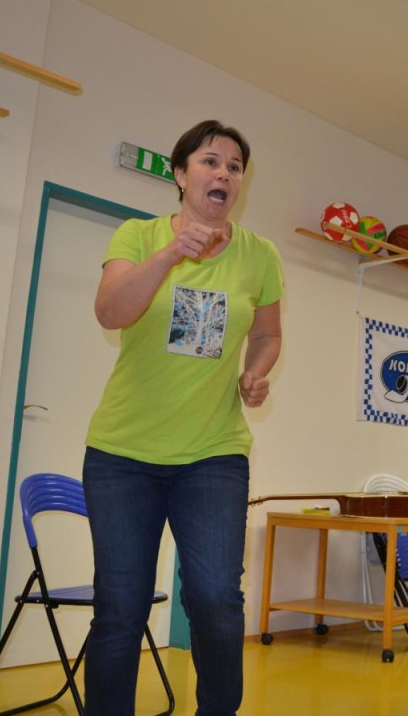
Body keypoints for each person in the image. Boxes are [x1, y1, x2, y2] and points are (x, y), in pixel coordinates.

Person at [83, 120, 283, 715]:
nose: (224, 174)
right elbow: (110, 312)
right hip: (122, 455)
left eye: (235, 166)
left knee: (217, 600)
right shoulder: (138, 235)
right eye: (210, 161)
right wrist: (173, 252)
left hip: (213, 454)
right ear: (180, 174)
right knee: (120, 606)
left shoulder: (260, 255)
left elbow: (268, 334)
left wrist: (255, 371)